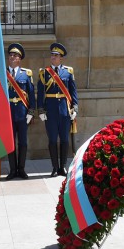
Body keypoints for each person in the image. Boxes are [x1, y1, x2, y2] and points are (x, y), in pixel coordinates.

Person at [38, 42, 77, 177]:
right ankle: (55, 167)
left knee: (65, 140)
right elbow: (40, 93)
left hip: (65, 111)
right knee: (53, 140)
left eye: (56, 55)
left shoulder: (68, 71)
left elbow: (73, 92)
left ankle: (63, 167)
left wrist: (75, 108)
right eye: (52, 55)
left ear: (61, 58)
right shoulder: (44, 73)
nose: (53, 57)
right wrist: (41, 111)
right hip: (50, 111)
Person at [4, 43, 35, 180]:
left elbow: (31, 94)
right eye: (10, 55)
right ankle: (12, 170)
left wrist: (31, 112)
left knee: (23, 142)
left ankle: (21, 169)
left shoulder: (26, 74)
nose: (12, 57)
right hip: (8, 113)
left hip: (22, 113)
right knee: (10, 142)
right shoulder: (2, 73)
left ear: (20, 58)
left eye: (15, 55)